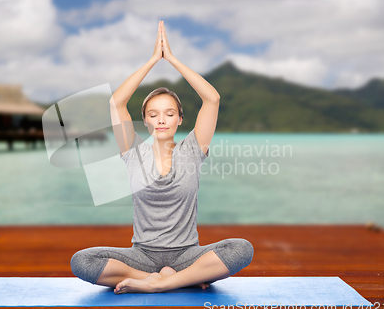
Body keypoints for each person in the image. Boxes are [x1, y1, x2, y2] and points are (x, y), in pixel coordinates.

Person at [71, 20, 254, 294]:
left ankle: (163, 282)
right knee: (82, 261)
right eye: (153, 114)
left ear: (180, 119)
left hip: (187, 254)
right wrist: (152, 61)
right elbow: (116, 102)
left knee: (242, 249)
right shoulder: (132, 151)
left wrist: (172, 59)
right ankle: (175, 279)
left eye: (169, 113)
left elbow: (212, 99)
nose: (161, 120)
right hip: (142, 256)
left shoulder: (193, 149)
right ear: (144, 120)